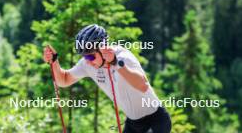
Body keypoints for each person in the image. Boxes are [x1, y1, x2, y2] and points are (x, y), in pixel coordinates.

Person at [43, 24, 171, 133]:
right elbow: (64, 80)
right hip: (133, 123)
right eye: (84, 56)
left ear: (103, 48)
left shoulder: (123, 57)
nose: (87, 61)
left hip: (155, 120)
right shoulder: (88, 63)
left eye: (90, 57)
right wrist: (54, 62)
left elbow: (143, 85)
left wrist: (115, 63)